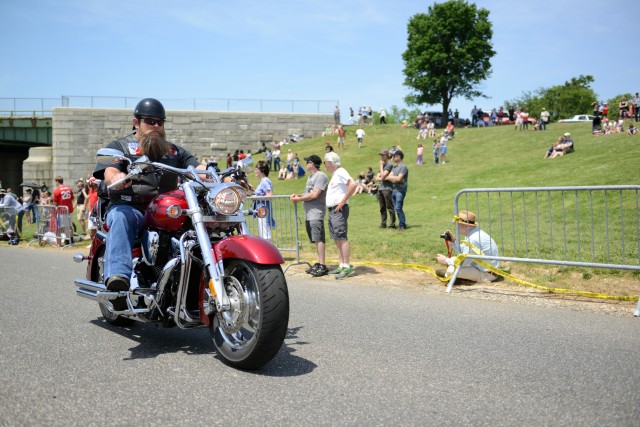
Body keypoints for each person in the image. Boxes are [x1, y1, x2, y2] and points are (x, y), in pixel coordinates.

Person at [92, 98, 208, 298]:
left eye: (159, 122)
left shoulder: (173, 151)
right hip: (132, 208)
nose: (155, 126)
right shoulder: (121, 146)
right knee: (121, 216)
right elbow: (110, 169)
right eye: (149, 121)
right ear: (136, 122)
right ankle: (118, 276)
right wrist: (116, 177)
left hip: (166, 211)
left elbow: (198, 168)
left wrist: (224, 177)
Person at [290, 154, 329, 277]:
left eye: (307, 162)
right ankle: (318, 262)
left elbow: (314, 195)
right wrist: (299, 195)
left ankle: (322, 265)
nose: (306, 164)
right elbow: (308, 193)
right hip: (309, 213)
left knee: (318, 238)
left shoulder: (320, 176)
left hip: (316, 212)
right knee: (314, 239)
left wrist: (299, 199)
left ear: (312, 164)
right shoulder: (311, 177)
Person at [436, 210, 500, 283]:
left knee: (451, 269)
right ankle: (455, 276)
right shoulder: (474, 234)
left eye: (458, 225)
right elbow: (464, 251)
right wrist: (452, 242)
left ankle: (450, 277)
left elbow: (464, 261)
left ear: (466, 226)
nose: (456, 227)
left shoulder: (473, 239)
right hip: (484, 269)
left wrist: (446, 260)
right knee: (453, 264)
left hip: (486, 274)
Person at [323, 152, 357, 279]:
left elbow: (353, 184)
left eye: (325, 162)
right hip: (333, 210)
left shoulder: (341, 171)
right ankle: (342, 265)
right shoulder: (335, 174)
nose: (325, 165)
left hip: (338, 209)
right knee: (337, 237)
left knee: (341, 237)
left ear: (331, 162)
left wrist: (343, 201)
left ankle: (346, 266)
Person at [386, 150, 409, 231]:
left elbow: (399, 179)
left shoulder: (404, 167)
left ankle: (403, 225)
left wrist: (395, 178)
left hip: (400, 190)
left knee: (398, 208)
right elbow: (388, 177)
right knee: (396, 208)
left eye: (395, 156)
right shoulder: (394, 167)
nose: (393, 158)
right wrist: (395, 179)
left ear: (398, 157)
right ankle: (401, 224)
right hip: (394, 190)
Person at [253, 160, 275, 241]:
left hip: (264, 210)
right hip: (261, 210)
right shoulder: (262, 181)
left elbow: (269, 195)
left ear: (261, 170)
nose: (255, 171)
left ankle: (268, 251)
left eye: (256, 169)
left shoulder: (265, 181)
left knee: (265, 233)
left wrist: (256, 197)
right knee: (263, 232)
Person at [375, 149, 396, 229]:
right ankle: (383, 223)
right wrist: (383, 177)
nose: (381, 157)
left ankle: (392, 224)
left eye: (383, 155)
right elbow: (377, 178)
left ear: (387, 155)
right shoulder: (383, 166)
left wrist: (381, 167)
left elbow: (383, 176)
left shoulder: (389, 165)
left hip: (387, 189)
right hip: (380, 188)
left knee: (389, 207)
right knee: (382, 207)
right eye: (381, 155)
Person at [52, 176, 74, 246]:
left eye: (55, 182)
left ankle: (58, 243)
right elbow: (72, 199)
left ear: (57, 182)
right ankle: (70, 241)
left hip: (61, 211)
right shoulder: (69, 188)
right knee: (69, 226)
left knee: (59, 227)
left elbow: (55, 203)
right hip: (69, 210)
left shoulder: (57, 190)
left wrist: (54, 211)